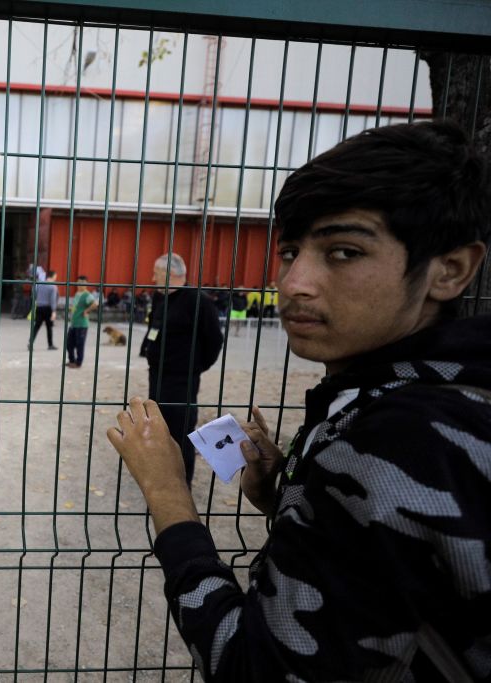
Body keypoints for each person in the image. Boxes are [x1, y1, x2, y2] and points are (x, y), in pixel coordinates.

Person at [107, 121, 491, 681]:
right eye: (290, 251)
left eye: (343, 251)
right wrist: (289, 493)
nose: (293, 283)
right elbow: (390, 566)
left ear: (449, 270)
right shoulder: (427, 391)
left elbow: (251, 668)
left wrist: (167, 492)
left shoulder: (400, 437)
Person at [140, 253, 223, 485]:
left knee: (180, 431)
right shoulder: (160, 297)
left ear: (170, 274)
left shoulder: (198, 301)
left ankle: (181, 483)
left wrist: (195, 366)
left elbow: (215, 340)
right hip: (157, 375)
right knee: (158, 426)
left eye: (156, 274)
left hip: (181, 380)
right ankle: (161, 477)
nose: (153, 278)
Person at [66, 275, 98, 369]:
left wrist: (86, 311)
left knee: (80, 344)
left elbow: (95, 304)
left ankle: (78, 363)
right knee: (69, 344)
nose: (80, 285)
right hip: (74, 323)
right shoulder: (77, 293)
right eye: (78, 283)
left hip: (82, 324)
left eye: (82, 283)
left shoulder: (87, 295)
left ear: (86, 284)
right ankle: (72, 361)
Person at [27, 270, 59, 351]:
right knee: (49, 327)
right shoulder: (53, 287)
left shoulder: (40, 284)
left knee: (36, 326)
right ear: (53, 276)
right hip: (48, 308)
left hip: (39, 307)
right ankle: (50, 344)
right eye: (55, 276)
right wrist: (54, 311)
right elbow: (53, 300)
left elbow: (34, 294)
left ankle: (30, 343)